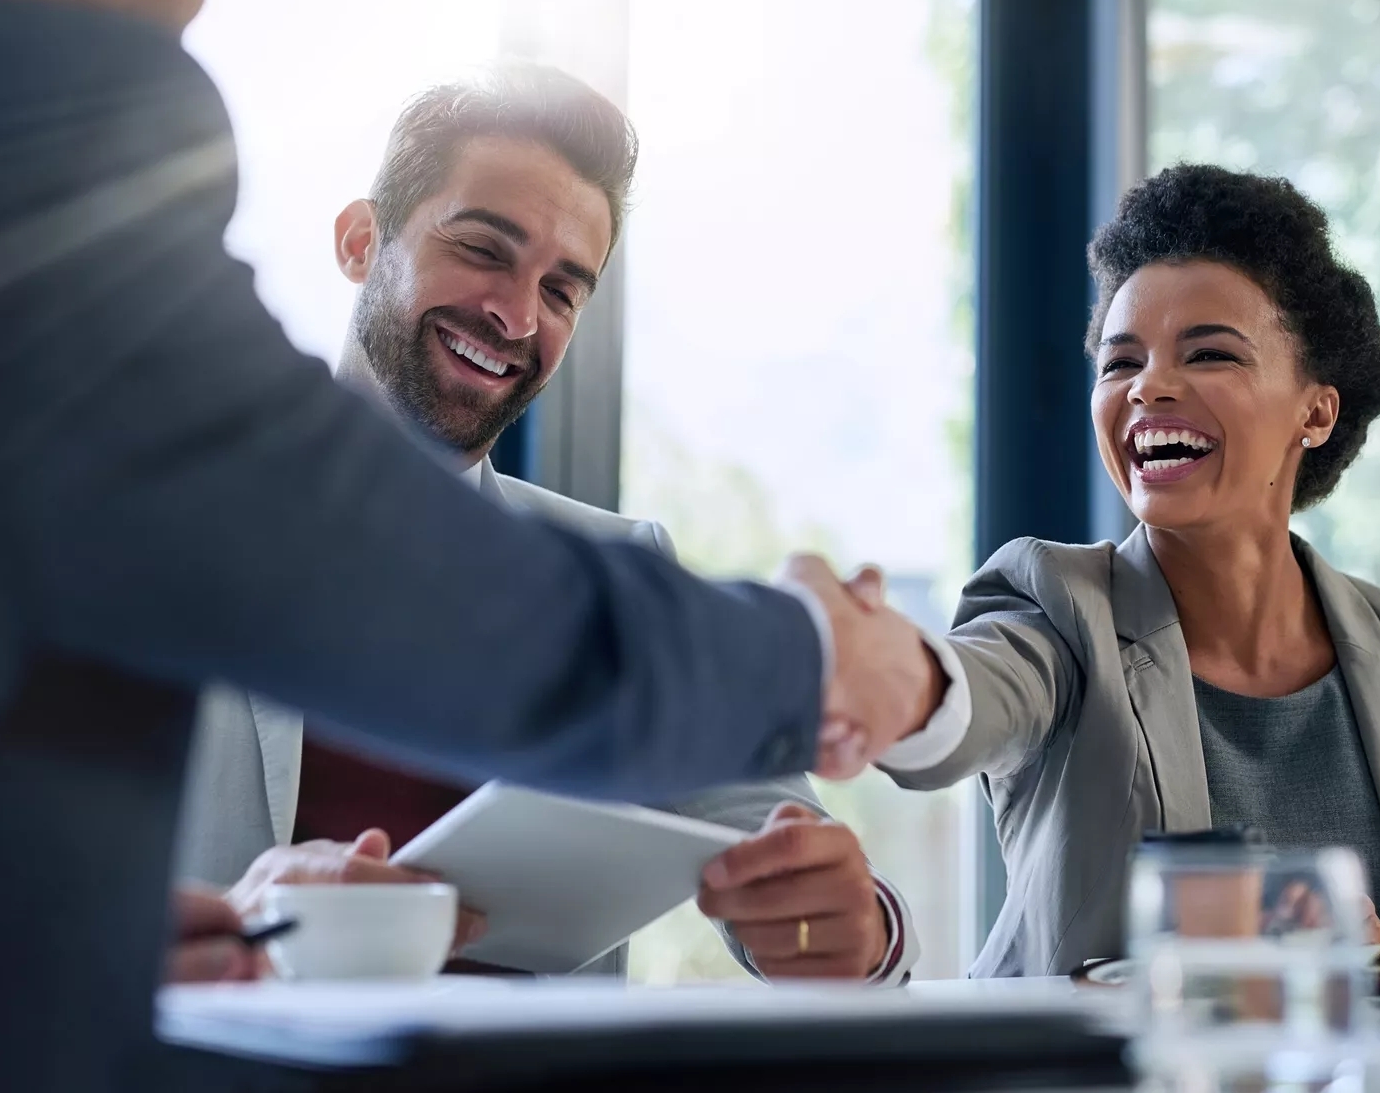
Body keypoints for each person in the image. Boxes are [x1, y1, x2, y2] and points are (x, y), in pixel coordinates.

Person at [0, 0, 943, 1088]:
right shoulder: (11, 208)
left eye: (564, 283)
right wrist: (822, 652)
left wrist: (97, 945)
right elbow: (476, 620)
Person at [174, 74, 921, 984]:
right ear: (362, 241)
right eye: (485, 248)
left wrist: (856, 927)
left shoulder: (624, 569)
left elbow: (784, 842)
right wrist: (242, 918)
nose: (517, 315)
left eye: (563, 291)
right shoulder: (173, 513)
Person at [881, 164, 1380, 977]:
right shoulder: (1054, 606)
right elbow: (964, 700)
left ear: (1316, 410)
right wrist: (882, 674)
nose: (1149, 386)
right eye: (1120, 364)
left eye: (1211, 353)